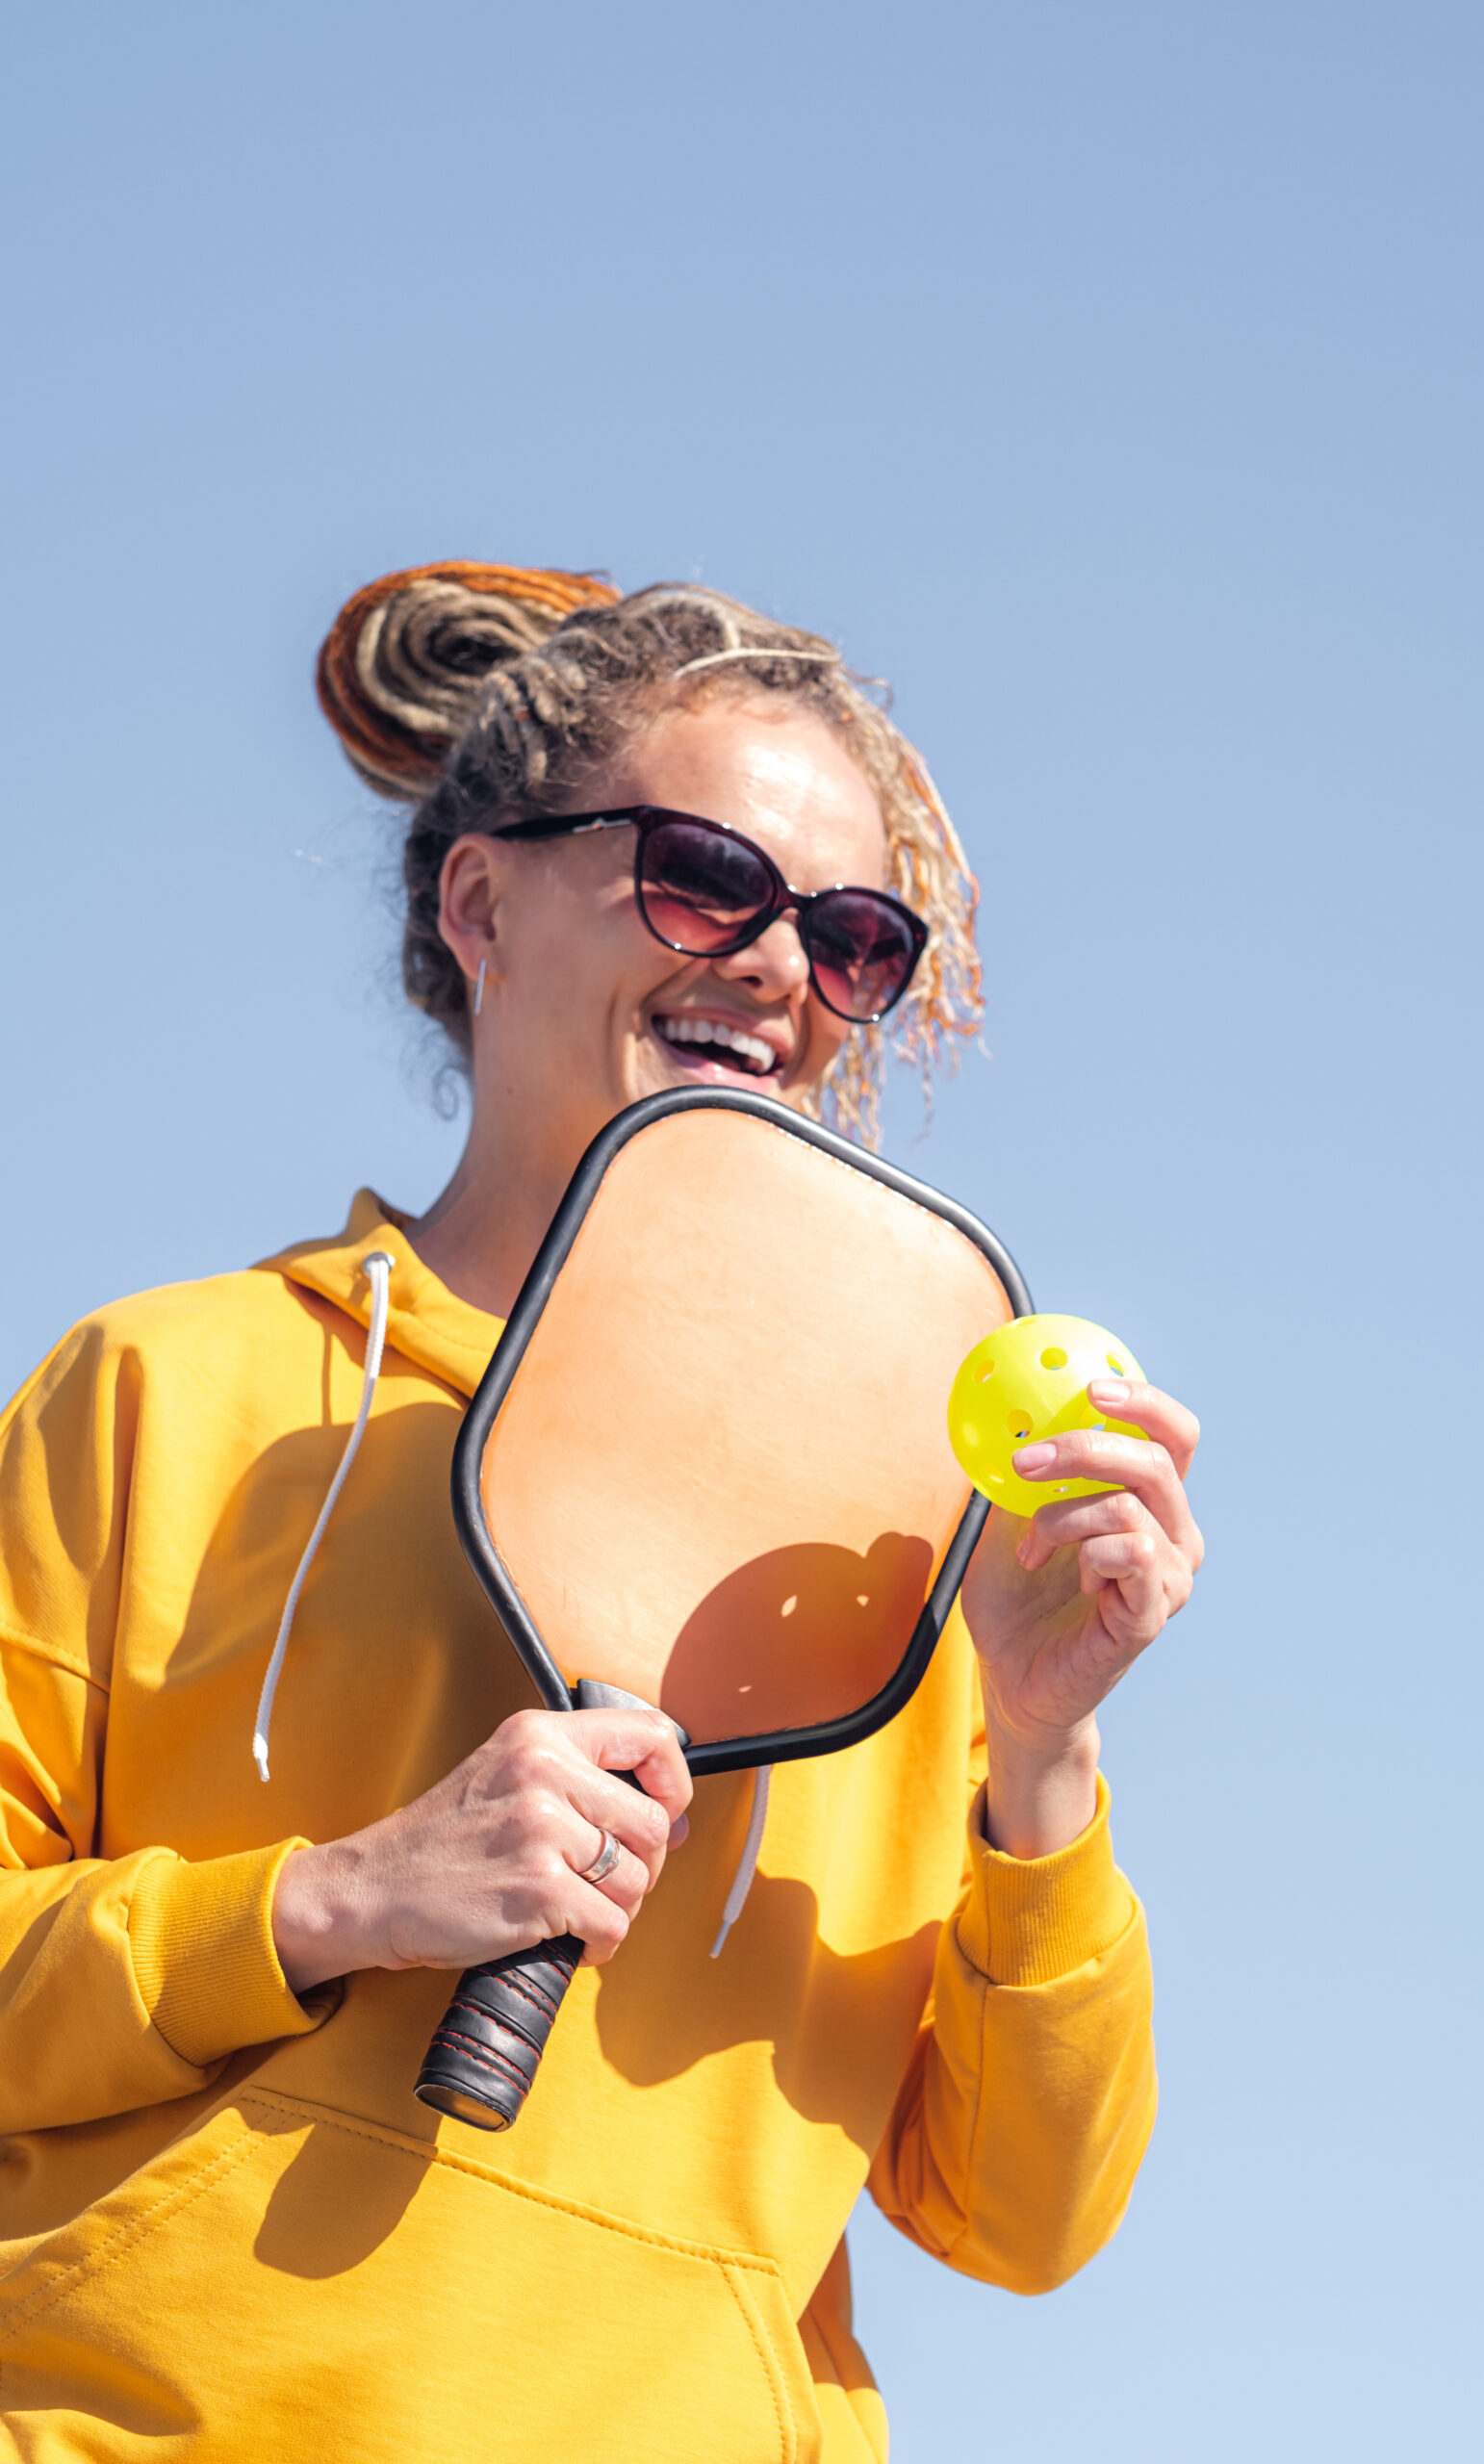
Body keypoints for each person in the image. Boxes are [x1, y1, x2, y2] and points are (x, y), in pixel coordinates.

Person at [0, 563, 1203, 2462]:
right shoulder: (162, 1385)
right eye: (703, 876)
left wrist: (1040, 1757)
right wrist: (323, 1901)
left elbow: (1023, 2211)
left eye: (852, 932)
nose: (778, 965)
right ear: (479, 899)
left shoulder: (900, 1540)